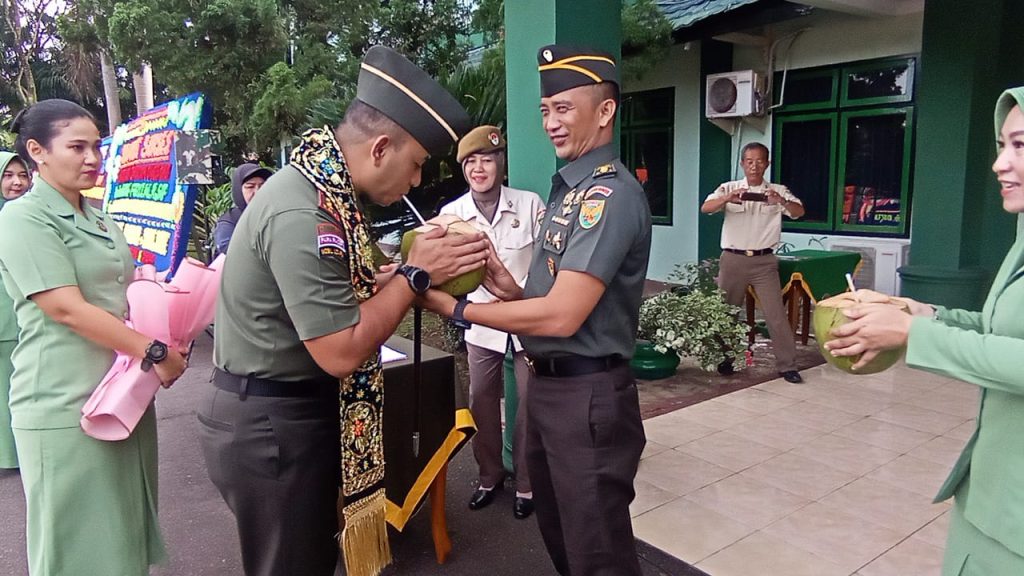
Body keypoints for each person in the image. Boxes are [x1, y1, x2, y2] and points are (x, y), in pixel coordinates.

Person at [197, 45, 486, 576]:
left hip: (287, 414)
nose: (417, 183)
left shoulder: (325, 191)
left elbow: (341, 288)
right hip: (273, 427)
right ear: (381, 148)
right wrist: (412, 275)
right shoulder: (305, 211)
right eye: (417, 165)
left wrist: (396, 275)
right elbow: (339, 351)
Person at [423, 45, 652, 575]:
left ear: (605, 111)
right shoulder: (567, 192)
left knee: (597, 552)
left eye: (565, 109)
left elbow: (561, 317)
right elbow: (546, 304)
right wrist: (506, 286)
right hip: (550, 389)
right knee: (560, 534)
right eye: (546, 111)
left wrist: (457, 308)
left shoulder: (607, 196)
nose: (551, 122)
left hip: (587, 397)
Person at [826, 86, 1024, 576]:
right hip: (989, 492)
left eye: (1019, 146)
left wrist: (913, 335)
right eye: (1001, 145)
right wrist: (922, 313)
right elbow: (1001, 332)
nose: (999, 164)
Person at [0, 100, 188, 575]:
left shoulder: (100, 216)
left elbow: (120, 296)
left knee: (123, 535)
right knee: (75, 544)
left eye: (96, 147)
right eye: (77, 147)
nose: (92, 158)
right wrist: (155, 350)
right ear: (37, 151)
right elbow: (65, 308)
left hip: (122, 393)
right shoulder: (23, 219)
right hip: (63, 401)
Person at [439, 125, 544, 519]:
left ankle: (528, 484)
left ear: (501, 164)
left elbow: (545, 265)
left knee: (530, 404)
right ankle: (489, 475)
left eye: (487, 159)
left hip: (525, 320)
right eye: (471, 162)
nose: (479, 169)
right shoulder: (451, 215)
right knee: (481, 402)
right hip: (481, 324)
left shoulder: (530, 204)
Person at [700, 142, 806, 383]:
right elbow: (706, 208)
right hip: (733, 260)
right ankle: (726, 359)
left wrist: (780, 201)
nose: (754, 166)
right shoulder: (729, 187)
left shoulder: (778, 190)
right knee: (727, 312)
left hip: (764, 261)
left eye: (759, 161)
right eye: (749, 161)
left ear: (767, 164)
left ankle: (787, 365)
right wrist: (728, 198)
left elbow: (799, 211)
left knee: (775, 314)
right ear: (742, 164)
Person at [0, 150, 31, 471]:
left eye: (22, 175)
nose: (17, 182)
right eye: (8, 176)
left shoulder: (32, 215)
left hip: (22, 316)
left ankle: (14, 454)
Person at [213, 163, 273, 256]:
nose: (257, 192)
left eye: (262, 186)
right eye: (250, 187)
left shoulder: (274, 215)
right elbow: (228, 251)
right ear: (238, 190)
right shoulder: (230, 221)